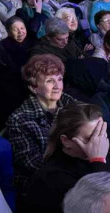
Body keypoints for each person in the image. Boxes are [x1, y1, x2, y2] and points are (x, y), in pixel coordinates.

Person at [4, 53, 76, 192]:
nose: (57, 86)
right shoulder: (19, 119)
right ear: (33, 87)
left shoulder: (72, 104)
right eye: (50, 81)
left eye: (59, 79)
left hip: (72, 172)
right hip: (41, 185)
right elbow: (33, 164)